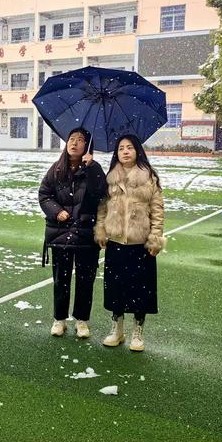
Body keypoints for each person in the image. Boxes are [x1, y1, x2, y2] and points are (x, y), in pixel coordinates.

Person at [95, 134, 165, 352]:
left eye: (130, 148)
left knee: (140, 290)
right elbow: (102, 208)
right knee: (116, 288)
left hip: (140, 244)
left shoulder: (149, 177)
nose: (125, 151)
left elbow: (157, 210)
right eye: (121, 148)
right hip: (116, 243)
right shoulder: (110, 178)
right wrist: (101, 230)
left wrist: (155, 237)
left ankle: (138, 332)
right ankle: (117, 329)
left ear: (137, 151)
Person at [39, 128, 107, 338]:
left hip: (86, 234)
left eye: (80, 140)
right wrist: (56, 211)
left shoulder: (93, 169)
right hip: (60, 233)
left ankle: (82, 320)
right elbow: (44, 194)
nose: (74, 143)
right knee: (61, 278)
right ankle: (59, 319)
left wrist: (92, 167)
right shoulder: (56, 169)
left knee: (86, 280)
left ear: (87, 146)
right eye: (71, 139)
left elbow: (102, 193)